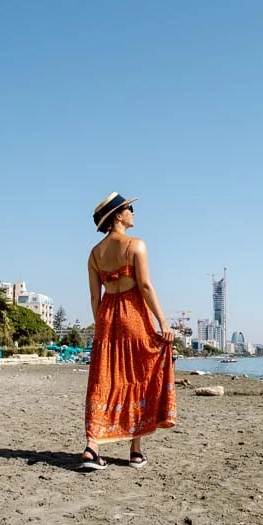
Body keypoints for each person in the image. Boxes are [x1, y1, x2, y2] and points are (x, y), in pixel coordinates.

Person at [80, 192, 177, 470]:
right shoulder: (137, 245)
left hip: (107, 316)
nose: (133, 212)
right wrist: (163, 323)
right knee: (140, 377)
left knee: (103, 378)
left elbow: (93, 297)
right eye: (129, 208)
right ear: (118, 216)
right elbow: (145, 286)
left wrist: (100, 325)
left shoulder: (95, 253)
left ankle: (92, 446)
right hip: (134, 315)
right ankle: (135, 451)